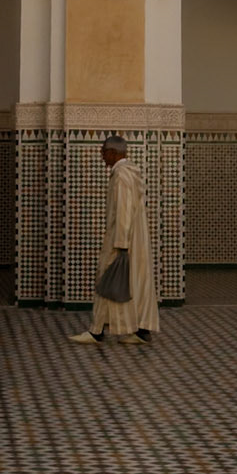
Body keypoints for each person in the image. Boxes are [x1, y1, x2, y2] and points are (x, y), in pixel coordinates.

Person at [69, 135, 158, 346]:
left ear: (113, 152)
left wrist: (121, 244)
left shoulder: (121, 175)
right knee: (134, 284)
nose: (102, 156)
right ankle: (141, 330)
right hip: (135, 240)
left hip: (123, 241)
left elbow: (123, 210)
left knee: (106, 281)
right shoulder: (131, 172)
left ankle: (97, 331)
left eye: (103, 152)